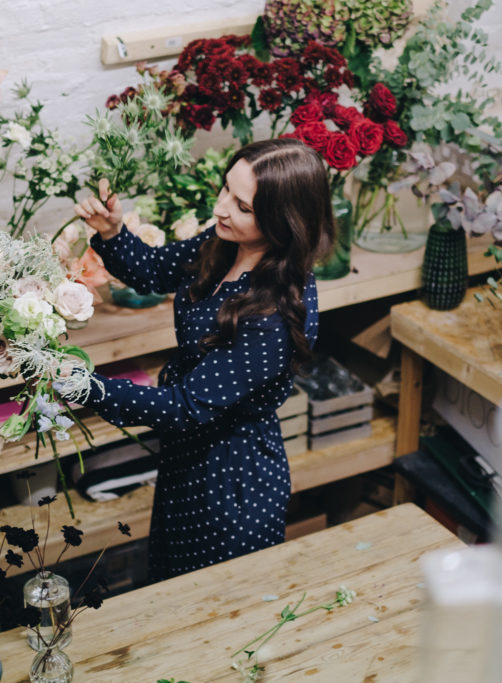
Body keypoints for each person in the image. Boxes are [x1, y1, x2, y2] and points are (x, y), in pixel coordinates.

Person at [71, 138, 334, 581]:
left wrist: (86, 386)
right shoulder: (225, 242)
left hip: (230, 482)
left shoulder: (272, 316)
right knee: (170, 578)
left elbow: (184, 406)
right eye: (225, 190)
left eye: (243, 206)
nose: (222, 208)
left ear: (284, 222)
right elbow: (153, 269)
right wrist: (113, 233)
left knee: (211, 604)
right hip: (186, 458)